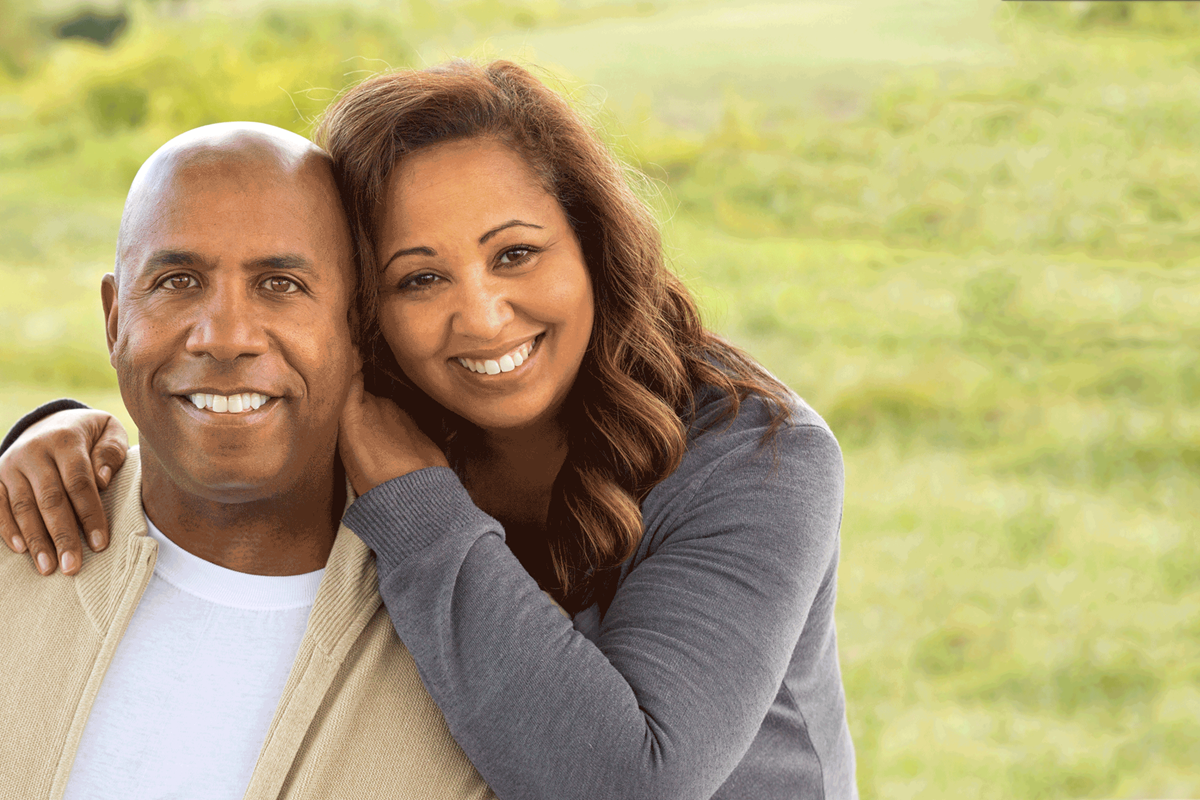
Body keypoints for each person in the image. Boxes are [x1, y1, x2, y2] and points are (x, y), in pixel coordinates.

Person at [1, 61, 857, 799]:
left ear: (592, 244)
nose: (481, 318)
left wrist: (419, 507)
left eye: (515, 254)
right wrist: (66, 437)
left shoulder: (757, 456)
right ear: (367, 310)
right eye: (419, 279)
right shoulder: (390, 398)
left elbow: (631, 781)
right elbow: (225, 382)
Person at [0, 122, 491, 800]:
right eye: (177, 281)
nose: (225, 337)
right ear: (115, 320)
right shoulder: (17, 541)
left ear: (358, 328)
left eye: (281, 284)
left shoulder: (486, 640)